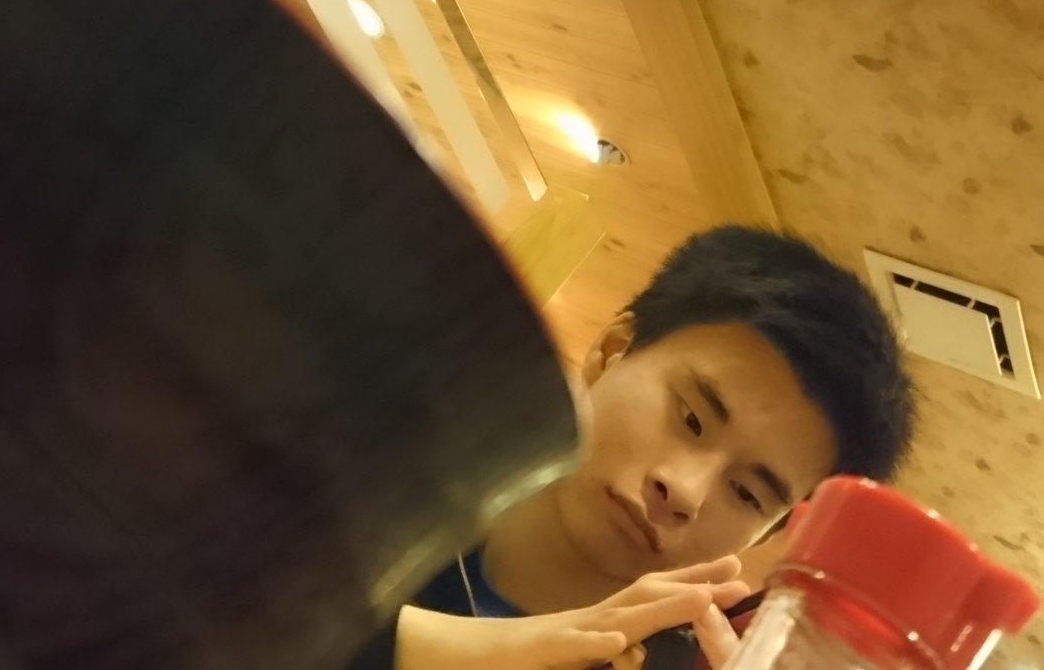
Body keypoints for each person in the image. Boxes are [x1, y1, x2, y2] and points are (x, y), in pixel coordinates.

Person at [353, 226, 917, 670]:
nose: (685, 491)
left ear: (767, 534)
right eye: (692, 418)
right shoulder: (368, 476)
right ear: (612, 350)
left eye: (746, 493)